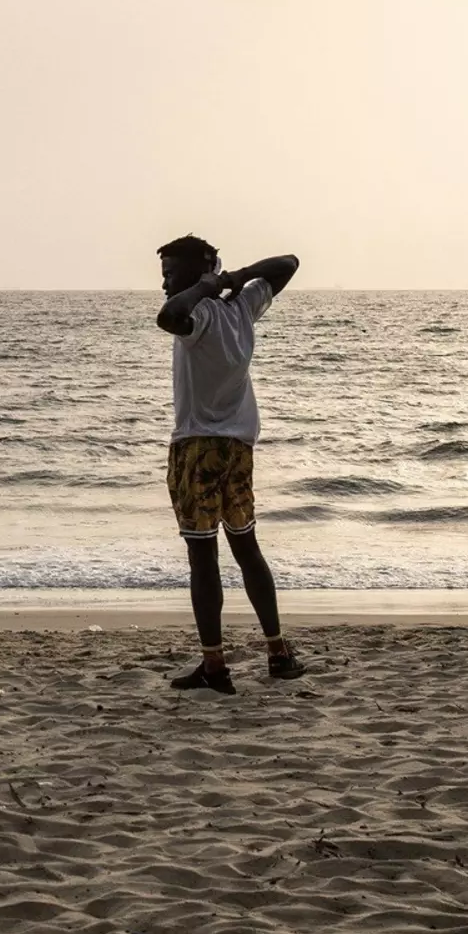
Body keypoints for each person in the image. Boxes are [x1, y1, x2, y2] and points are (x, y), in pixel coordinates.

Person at [155, 235, 304, 694]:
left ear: (197, 273)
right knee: (246, 548)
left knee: (203, 558)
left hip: (198, 448)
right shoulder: (241, 309)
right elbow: (287, 263)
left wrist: (207, 285)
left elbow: (169, 317)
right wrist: (234, 280)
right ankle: (277, 653)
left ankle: (215, 666)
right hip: (239, 449)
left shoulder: (198, 312)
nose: (165, 284)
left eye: (170, 275)